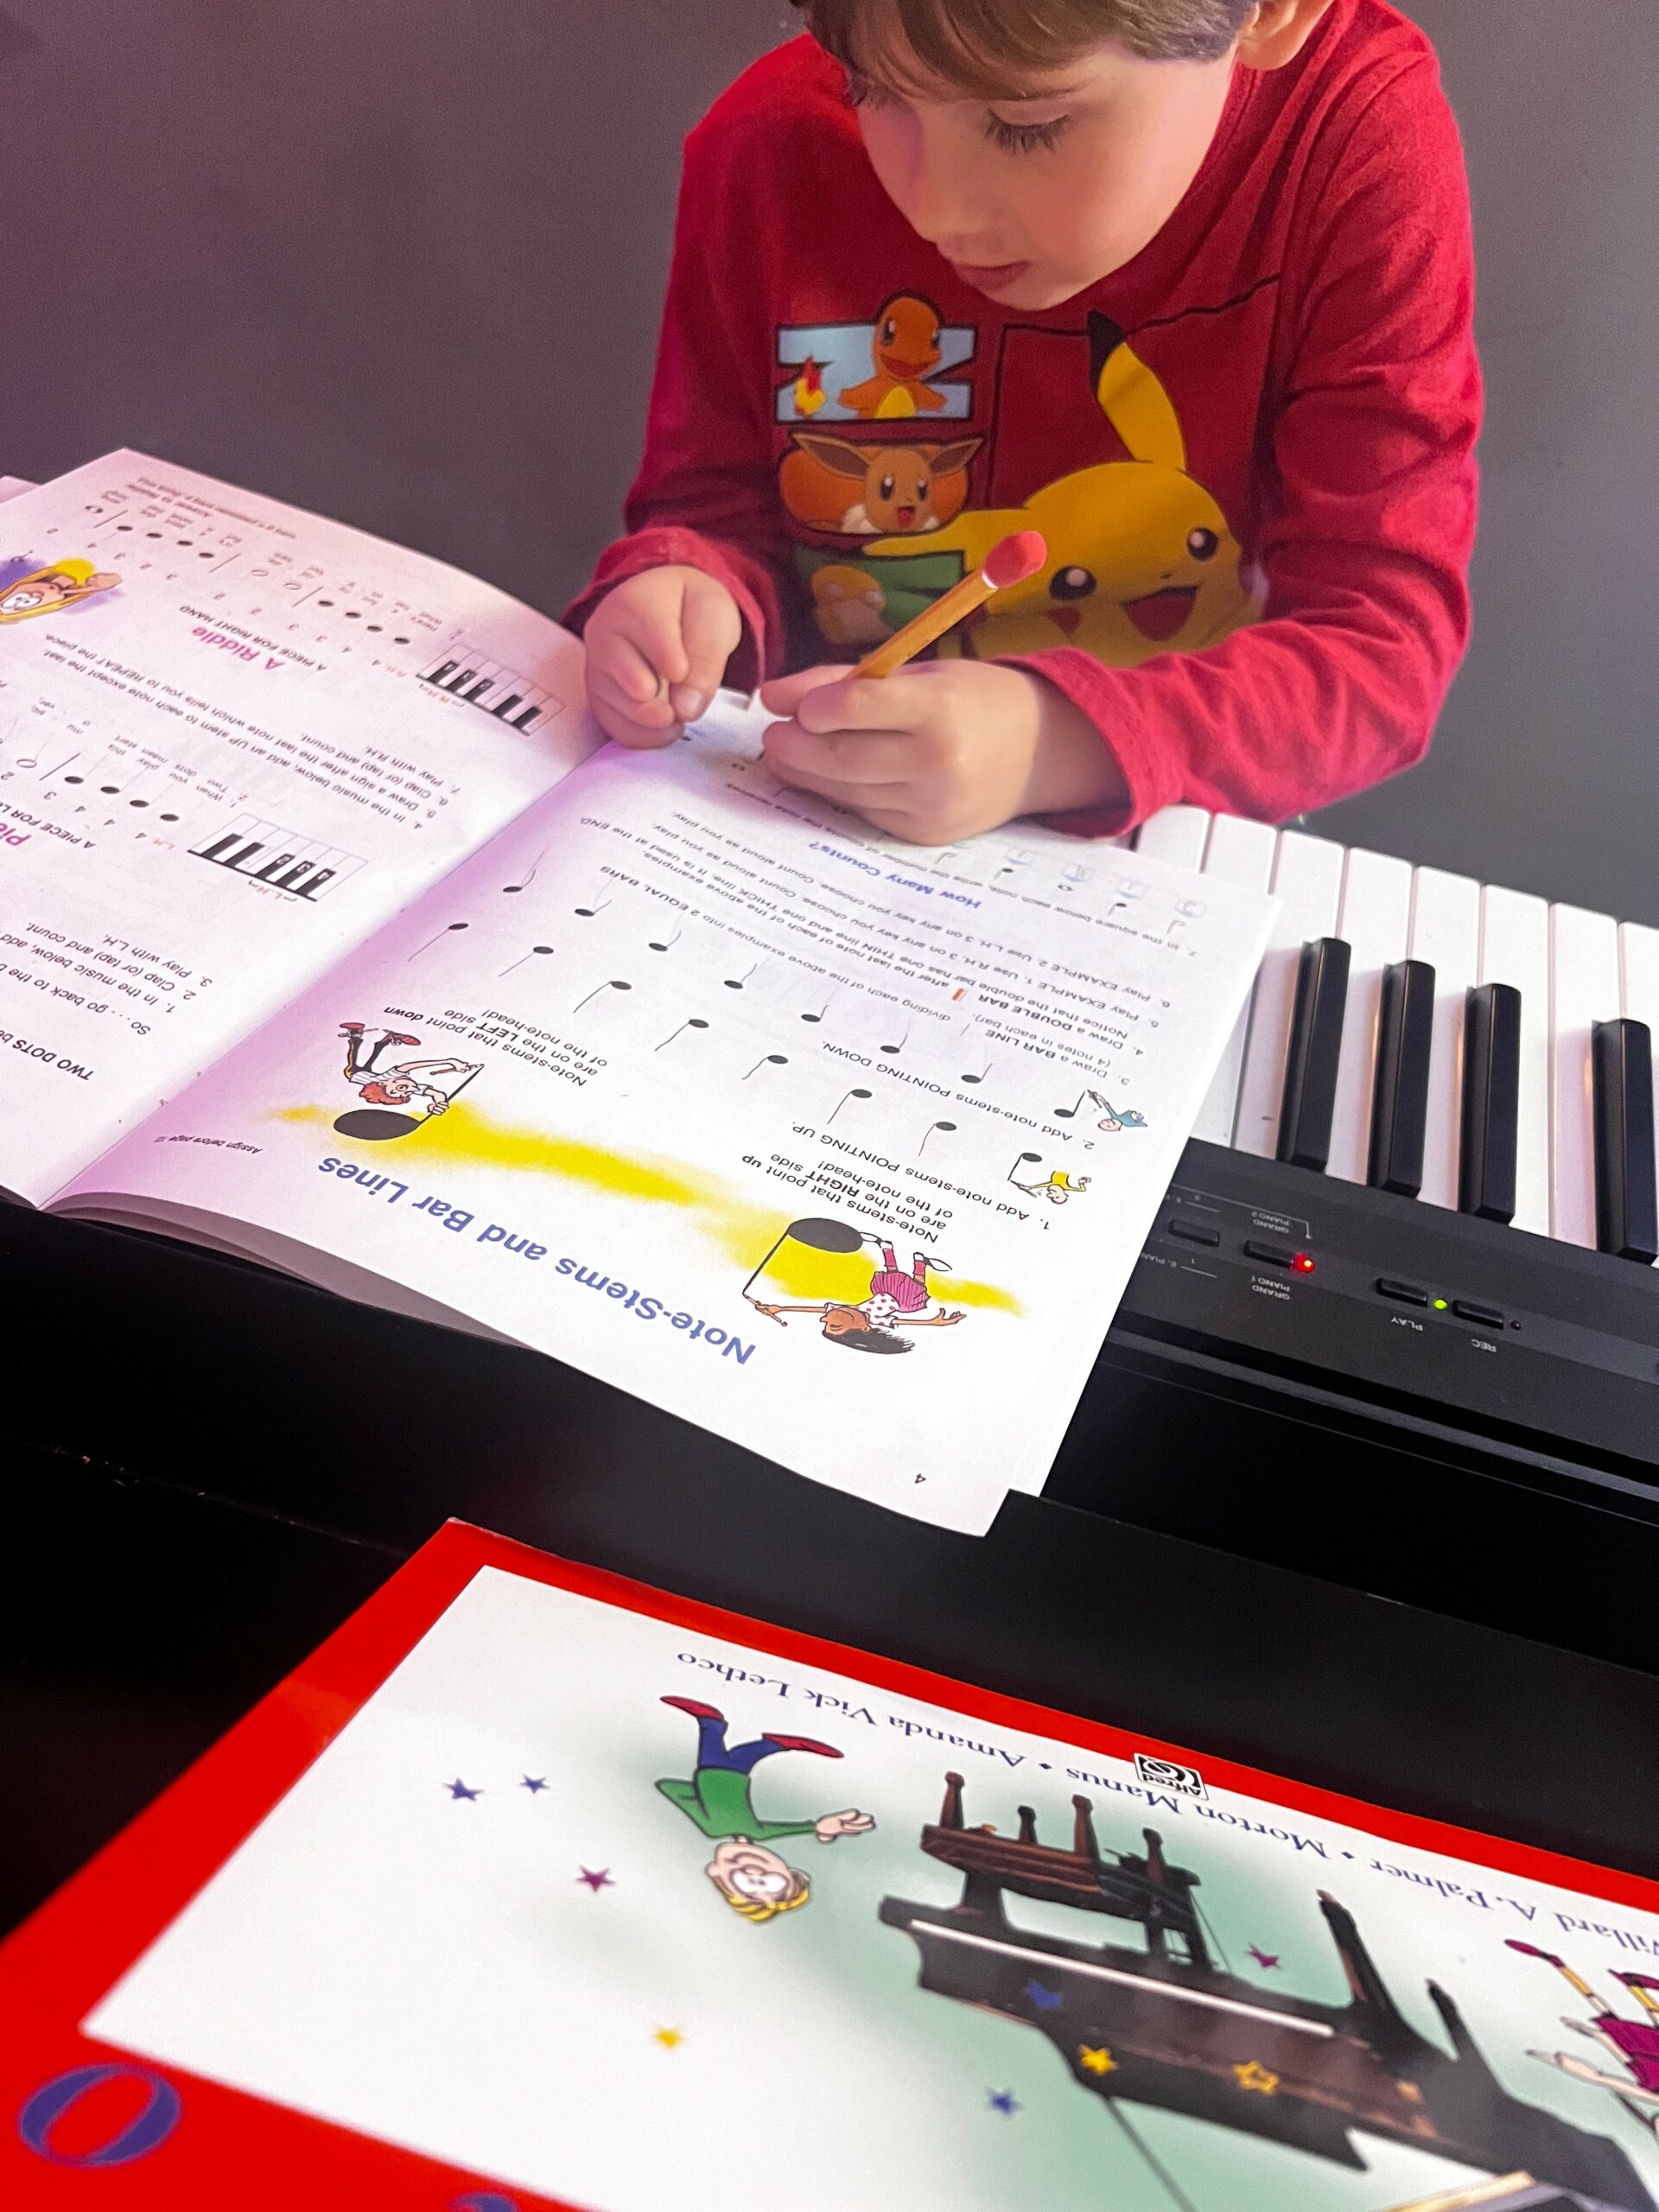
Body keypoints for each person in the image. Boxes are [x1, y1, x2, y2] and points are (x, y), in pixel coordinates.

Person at [569, 0, 1480, 849]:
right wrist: (688, 590)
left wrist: (1056, 741)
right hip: (807, 823)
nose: (936, 208)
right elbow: (718, 509)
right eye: (871, 88)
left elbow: (1381, 646)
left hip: (1157, 838)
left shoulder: (1352, 143)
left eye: (1026, 124)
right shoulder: (767, 147)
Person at [655, 1695, 876, 1922]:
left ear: (715, 1871)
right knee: (736, 1754)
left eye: (745, 1883)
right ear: (790, 1873)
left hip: (714, 1776)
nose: (754, 1874)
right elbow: (781, 1829)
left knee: (736, 1754)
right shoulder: (757, 1832)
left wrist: (701, 1794)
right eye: (771, 1881)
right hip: (728, 1778)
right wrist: (817, 1828)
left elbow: (668, 1786)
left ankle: (739, 1732)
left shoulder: (712, 1828)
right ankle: (747, 1735)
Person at [747, 1235, 965, 1352]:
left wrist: (780, 1307)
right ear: (864, 1328)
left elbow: (812, 1309)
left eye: (826, 1323)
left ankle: (886, 1248)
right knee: (917, 1284)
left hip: (884, 1290)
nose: (825, 1318)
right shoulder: (878, 1319)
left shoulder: (844, 1311)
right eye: (834, 1326)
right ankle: (921, 1264)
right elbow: (905, 1321)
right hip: (904, 1301)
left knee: (892, 1273)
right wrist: (933, 1322)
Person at [338, 1023, 480, 1121]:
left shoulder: (389, 1077)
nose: (409, 1090)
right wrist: (438, 1104)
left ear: (384, 1083)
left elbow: (409, 1066)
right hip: (369, 1076)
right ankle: (382, 1039)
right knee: (369, 1062)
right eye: (406, 1093)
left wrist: (449, 1061)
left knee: (352, 1064)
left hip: (355, 1075)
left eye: (400, 1089)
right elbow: (437, 1094)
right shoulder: (410, 1087)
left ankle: (356, 1036)